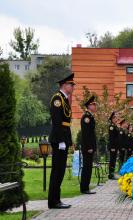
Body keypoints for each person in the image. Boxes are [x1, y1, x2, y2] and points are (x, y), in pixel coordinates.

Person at [48, 73, 75, 209]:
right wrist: (60, 141)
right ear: (64, 85)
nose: (73, 87)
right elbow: (57, 121)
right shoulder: (57, 99)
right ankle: (53, 201)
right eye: (71, 84)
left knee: (61, 170)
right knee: (57, 170)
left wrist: (68, 140)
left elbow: (66, 123)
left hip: (63, 138)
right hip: (58, 139)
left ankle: (56, 200)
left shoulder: (64, 99)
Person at [80, 95, 97, 194]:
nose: (95, 106)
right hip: (87, 147)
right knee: (87, 167)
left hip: (89, 147)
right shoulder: (86, 117)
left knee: (88, 167)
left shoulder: (90, 116)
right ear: (89, 106)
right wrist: (89, 147)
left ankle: (86, 187)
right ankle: (84, 188)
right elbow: (86, 134)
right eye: (93, 104)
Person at [108, 112, 118, 180]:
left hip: (115, 146)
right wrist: (112, 147)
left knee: (114, 160)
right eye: (114, 118)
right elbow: (111, 138)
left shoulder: (115, 126)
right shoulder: (111, 127)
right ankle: (111, 174)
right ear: (112, 119)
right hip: (113, 147)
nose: (116, 119)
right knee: (112, 160)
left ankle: (112, 173)